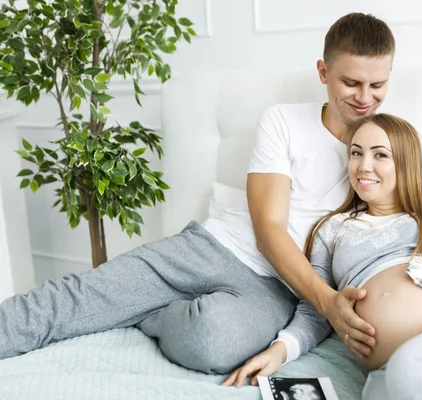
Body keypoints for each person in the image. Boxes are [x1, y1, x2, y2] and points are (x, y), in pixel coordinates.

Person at [0, 12, 395, 374]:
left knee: (213, 343)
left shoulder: (392, 151)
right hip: (212, 246)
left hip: (276, 287)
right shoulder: (284, 121)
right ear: (324, 72)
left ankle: (147, 312)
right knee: (80, 296)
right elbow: (268, 228)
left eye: (377, 84)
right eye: (351, 82)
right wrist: (327, 302)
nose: (365, 97)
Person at [223, 114, 422, 400]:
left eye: (380, 155)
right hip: (394, 370)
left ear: (405, 164)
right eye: (356, 153)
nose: (363, 166)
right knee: (402, 378)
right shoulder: (334, 230)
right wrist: (281, 350)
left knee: (417, 368)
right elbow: (319, 308)